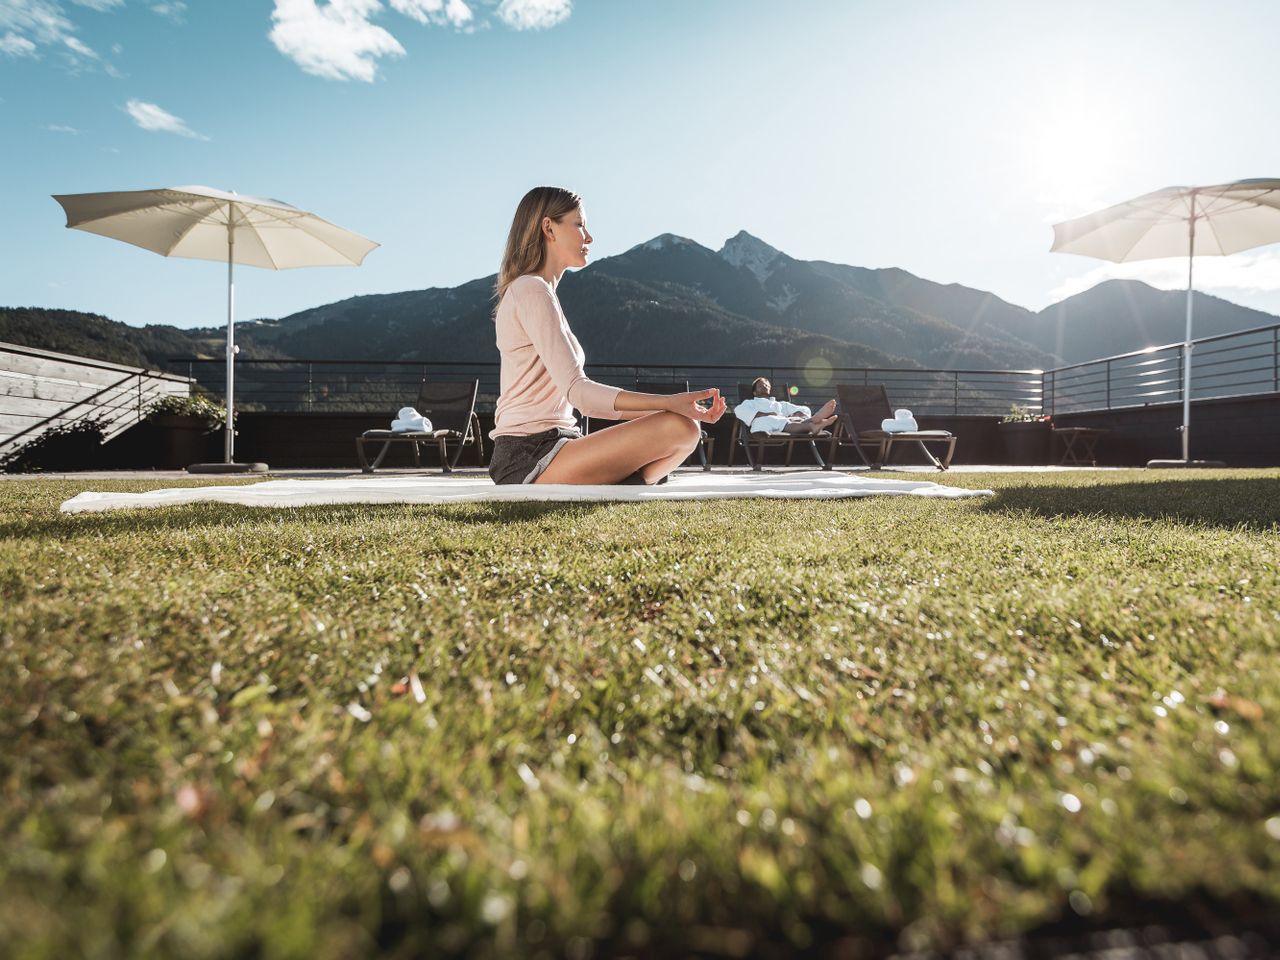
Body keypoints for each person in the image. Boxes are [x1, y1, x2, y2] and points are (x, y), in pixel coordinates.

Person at [488, 186, 727, 485]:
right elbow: (580, 393)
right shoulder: (531, 290)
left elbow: (593, 404)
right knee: (679, 429)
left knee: (684, 427)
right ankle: (631, 481)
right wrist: (668, 402)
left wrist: (671, 408)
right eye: (579, 224)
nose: (588, 237)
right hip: (528, 454)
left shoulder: (541, 292)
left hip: (562, 442)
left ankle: (626, 483)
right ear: (548, 227)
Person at [735, 377, 837, 434]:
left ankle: (813, 422)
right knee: (772, 419)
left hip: (784, 422)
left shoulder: (778, 404)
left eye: (767, 384)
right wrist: (764, 414)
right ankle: (813, 423)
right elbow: (738, 410)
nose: (765, 385)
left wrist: (797, 415)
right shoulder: (750, 403)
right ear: (754, 392)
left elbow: (802, 409)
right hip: (763, 425)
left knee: (803, 410)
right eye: (761, 385)